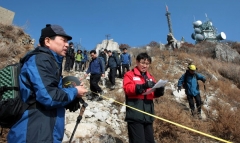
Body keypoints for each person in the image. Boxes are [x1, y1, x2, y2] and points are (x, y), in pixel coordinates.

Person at [7, 24, 88, 142]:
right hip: (32, 133)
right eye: (63, 40)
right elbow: (49, 97)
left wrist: (72, 92)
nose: (67, 44)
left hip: (44, 131)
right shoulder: (41, 60)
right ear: (48, 41)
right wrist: (75, 91)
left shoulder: (51, 62)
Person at [123, 52, 165, 143]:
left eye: (147, 64)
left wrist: (159, 91)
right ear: (137, 62)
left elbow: (151, 94)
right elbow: (127, 89)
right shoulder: (130, 74)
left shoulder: (150, 77)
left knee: (150, 141)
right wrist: (142, 86)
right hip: (135, 114)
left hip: (148, 115)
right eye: (142, 63)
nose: (144, 66)